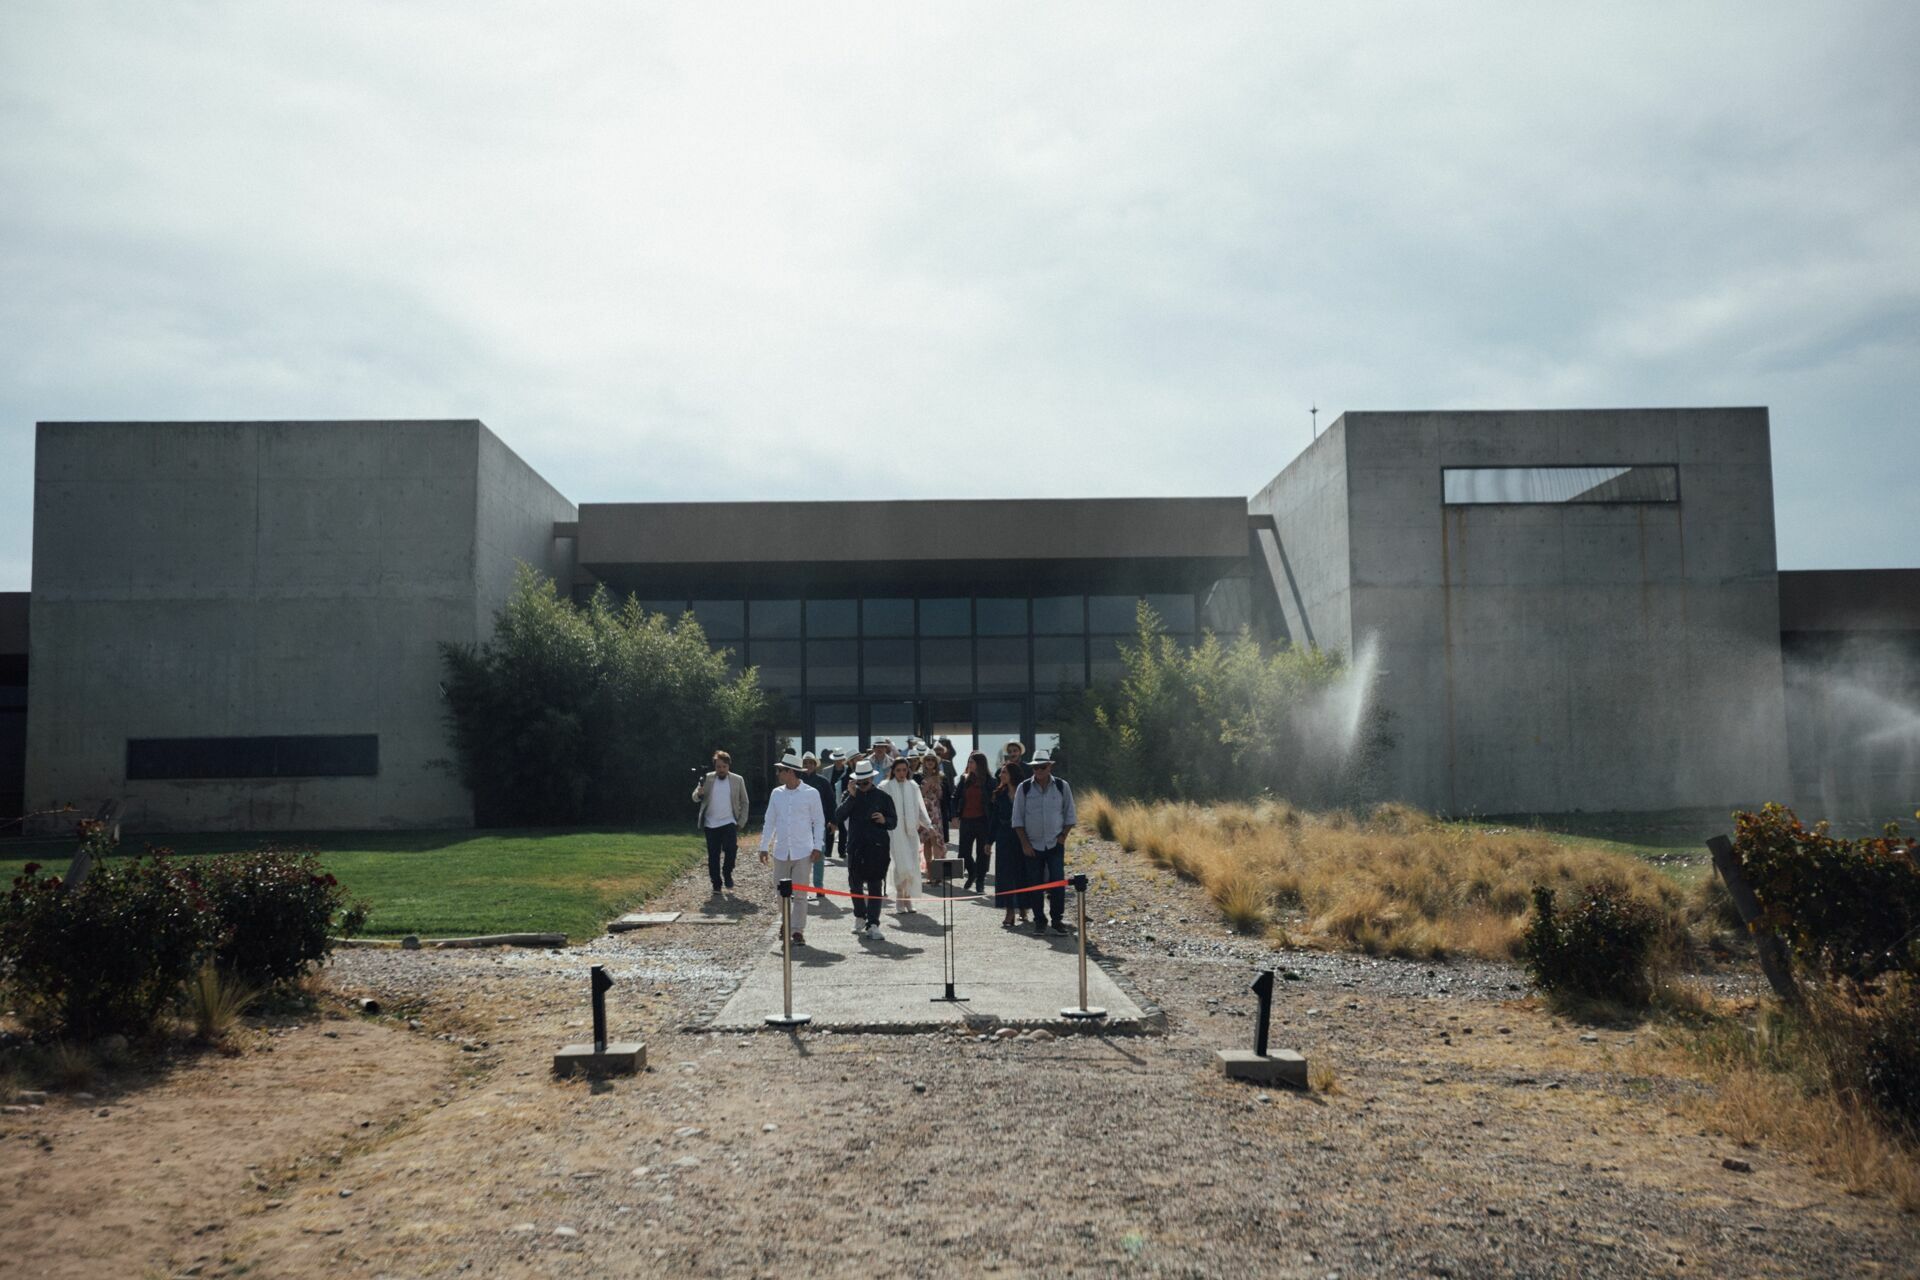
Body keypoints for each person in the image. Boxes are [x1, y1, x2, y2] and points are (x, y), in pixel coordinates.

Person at [759, 753, 825, 946]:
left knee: (801, 894)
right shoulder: (776, 793)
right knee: (780, 893)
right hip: (781, 851)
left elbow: (819, 821)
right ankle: (785, 921)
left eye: (781, 770)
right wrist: (764, 846)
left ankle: (797, 929)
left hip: (803, 851)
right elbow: (769, 821)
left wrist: (817, 845)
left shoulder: (811, 793)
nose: (778, 774)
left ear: (790, 772)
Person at [1012, 748, 1076, 935]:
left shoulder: (1062, 786)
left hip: (1055, 844)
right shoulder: (1023, 788)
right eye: (1036, 768)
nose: (1039, 771)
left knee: (1057, 883)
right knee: (1035, 884)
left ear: (1050, 767)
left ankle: (1057, 920)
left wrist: (1063, 836)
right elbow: (1017, 820)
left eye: (1042, 767)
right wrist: (1024, 844)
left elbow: (1070, 814)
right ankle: (1039, 920)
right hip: (1033, 845)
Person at [833, 759, 896, 938]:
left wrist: (885, 820)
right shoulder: (850, 794)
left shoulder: (884, 797)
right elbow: (838, 816)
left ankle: (873, 923)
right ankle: (860, 915)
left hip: (878, 848)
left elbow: (894, 821)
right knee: (855, 885)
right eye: (859, 782)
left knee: (876, 886)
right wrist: (852, 797)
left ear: (872, 779)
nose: (862, 785)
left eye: (865, 782)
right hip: (856, 847)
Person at [691, 749, 750, 896]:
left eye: (724, 767)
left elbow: (745, 801)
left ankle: (727, 872)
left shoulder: (738, 780)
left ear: (728, 766)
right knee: (713, 855)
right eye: (718, 767)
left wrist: (741, 822)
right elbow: (694, 797)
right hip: (710, 823)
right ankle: (716, 884)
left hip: (729, 821)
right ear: (714, 767)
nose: (721, 770)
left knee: (731, 849)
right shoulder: (707, 778)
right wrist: (699, 793)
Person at [878, 754, 932, 913]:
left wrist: (929, 825)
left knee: (912, 865)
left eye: (904, 770)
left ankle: (908, 898)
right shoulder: (885, 786)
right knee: (899, 865)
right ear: (893, 771)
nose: (901, 773)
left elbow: (920, 808)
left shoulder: (913, 786)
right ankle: (900, 899)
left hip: (910, 832)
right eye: (898, 770)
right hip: (894, 832)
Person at [989, 762, 1030, 927]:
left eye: (1004, 772)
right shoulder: (998, 794)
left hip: (1022, 837)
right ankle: (1009, 911)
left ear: (1012, 774)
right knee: (1005, 875)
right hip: (1004, 837)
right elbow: (993, 820)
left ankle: (1023, 907)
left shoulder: (1026, 792)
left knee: (1022, 872)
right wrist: (988, 841)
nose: (1001, 775)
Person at [952, 751, 994, 894]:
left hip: (983, 821)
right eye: (968, 762)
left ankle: (980, 881)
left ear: (979, 764)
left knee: (982, 852)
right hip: (967, 820)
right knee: (963, 852)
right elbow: (955, 797)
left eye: (972, 762)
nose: (969, 765)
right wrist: (954, 815)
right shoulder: (964, 780)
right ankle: (973, 872)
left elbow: (993, 803)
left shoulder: (990, 781)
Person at [800, 753, 837, 894]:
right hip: (800, 823)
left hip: (819, 823)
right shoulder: (796, 780)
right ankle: (801, 886)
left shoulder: (823, 782)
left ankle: (818, 886)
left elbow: (831, 802)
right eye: (805, 763)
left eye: (810, 762)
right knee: (801, 856)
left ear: (815, 765)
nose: (808, 765)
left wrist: (833, 821)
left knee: (819, 855)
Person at [917, 750, 947, 866]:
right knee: (927, 842)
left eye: (932, 760)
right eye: (927, 760)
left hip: (935, 811)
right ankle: (930, 872)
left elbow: (942, 797)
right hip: (923, 811)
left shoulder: (941, 777)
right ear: (924, 762)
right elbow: (918, 794)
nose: (930, 762)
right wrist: (928, 783)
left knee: (936, 840)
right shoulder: (918, 776)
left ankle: (937, 872)